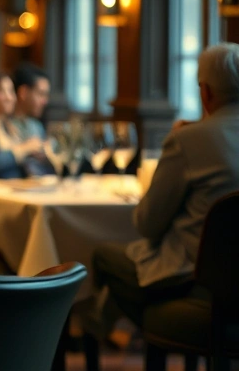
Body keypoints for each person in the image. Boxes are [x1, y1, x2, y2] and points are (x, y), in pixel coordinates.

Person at [92, 43, 239, 329]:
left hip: (197, 281)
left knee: (103, 256)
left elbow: (147, 224)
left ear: (205, 92)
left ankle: (148, 329)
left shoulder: (187, 140)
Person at [8, 63, 51, 141]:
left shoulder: (37, 126)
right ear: (23, 92)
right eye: (41, 94)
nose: (45, 101)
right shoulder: (4, 125)